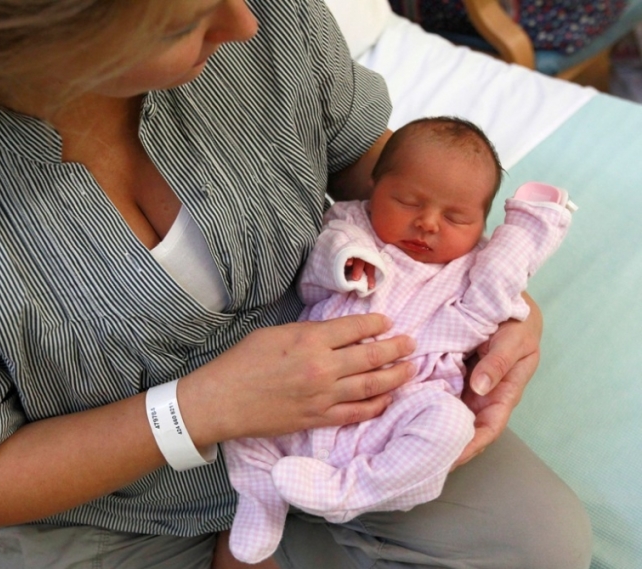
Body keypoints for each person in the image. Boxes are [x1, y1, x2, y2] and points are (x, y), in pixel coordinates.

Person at [0, 1, 591, 567]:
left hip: (340, 414)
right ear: (36, 54)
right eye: (182, 21)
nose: (245, 22)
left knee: (538, 542)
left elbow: (375, 164)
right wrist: (204, 408)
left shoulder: (261, 14)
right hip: (115, 505)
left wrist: (494, 292)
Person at [223, 117, 575, 563]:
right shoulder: (353, 226)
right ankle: (261, 499)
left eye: (456, 217)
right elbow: (314, 279)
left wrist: (529, 226)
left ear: (481, 225)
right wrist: (345, 264)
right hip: (307, 383)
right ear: (374, 187)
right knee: (245, 425)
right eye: (407, 201)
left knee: (450, 424)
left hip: (401, 403)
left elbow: (496, 290)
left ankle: (353, 490)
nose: (427, 223)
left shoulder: (470, 269)